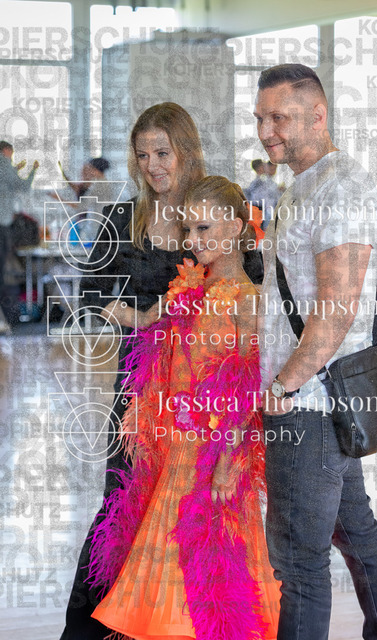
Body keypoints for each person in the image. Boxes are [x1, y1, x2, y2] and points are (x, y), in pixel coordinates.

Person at [59, 104, 264, 640]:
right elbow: (91, 297)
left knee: (195, 512)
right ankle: (90, 629)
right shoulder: (122, 219)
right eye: (143, 154)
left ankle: (183, 624)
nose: (153, 165)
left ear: (186, 151)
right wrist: (144, 316)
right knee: (123, 500)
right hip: (141, 389)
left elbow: (251, 292)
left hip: (204, 399)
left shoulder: (214, 211)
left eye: (163, 152)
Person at [88, 175, 279, 639]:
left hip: (216, 452)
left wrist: (229, 457)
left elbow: (247, 387)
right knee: (166, 548)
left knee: (216, 558)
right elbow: (153, 330)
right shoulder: (187, 286)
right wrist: (119, 311)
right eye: (188, 230)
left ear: (235, 228)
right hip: (175, 446)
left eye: (203, 229)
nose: (192, 240)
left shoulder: (249, 301)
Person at [255, 64, 377, 639]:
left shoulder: (339, 188)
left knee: (299, 563)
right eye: (260, 118)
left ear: (318, 116)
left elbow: (336, 311)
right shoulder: (307, 183)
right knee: (355, 532)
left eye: (280, 118)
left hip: (309, 404)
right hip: (320, 399)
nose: (266, 132)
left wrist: (283, 386)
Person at [0, 140, 39, 333]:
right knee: (5, 273)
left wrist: (16, 169)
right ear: (6, 150)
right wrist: (33, 170)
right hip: (3, 225)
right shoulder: (4, 162)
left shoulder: (6, 167)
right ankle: (7, 319)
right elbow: (23, 187)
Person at [245, 158, 281, 231]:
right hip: (260, 207)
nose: (265, 168)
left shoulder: (265, 180)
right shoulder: (258, 181)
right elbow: (255, 195)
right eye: (263, 166)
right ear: (260, 168)